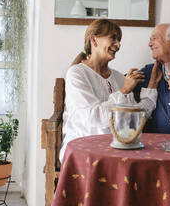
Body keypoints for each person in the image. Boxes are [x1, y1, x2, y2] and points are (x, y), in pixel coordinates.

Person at [59, 19, 162, 162]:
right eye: (113, 38)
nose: (118, 45)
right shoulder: (76, 73)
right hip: (83, 150)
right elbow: (93, 118)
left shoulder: (119, 77)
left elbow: (133, 121)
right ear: (94, 40)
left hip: (116, 150)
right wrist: (125, 90)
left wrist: (151, 87)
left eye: (119, 40)